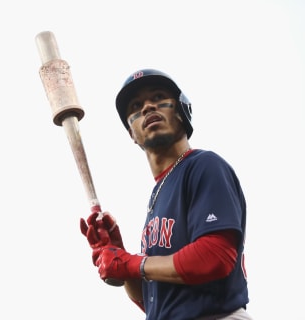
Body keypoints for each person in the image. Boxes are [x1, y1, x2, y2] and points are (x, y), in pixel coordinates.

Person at [80, 69, 252, 319]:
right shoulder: (158, 194)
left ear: (182, 112)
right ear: (132, 134)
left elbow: (215, 257)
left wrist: (131, 262)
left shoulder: (203, 165)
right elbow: (157, 303)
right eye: (136, 106)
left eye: (159, 97)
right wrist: (117, 253)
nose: (148, 107)